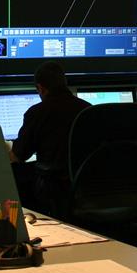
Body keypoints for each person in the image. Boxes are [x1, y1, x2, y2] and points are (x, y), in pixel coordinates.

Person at [9, 61, 90, 216]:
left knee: (14, 174)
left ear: (40, 88)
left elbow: (18, 156)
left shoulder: (37, 112)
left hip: (53, 187)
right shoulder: (87, 109)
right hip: (85, 185)